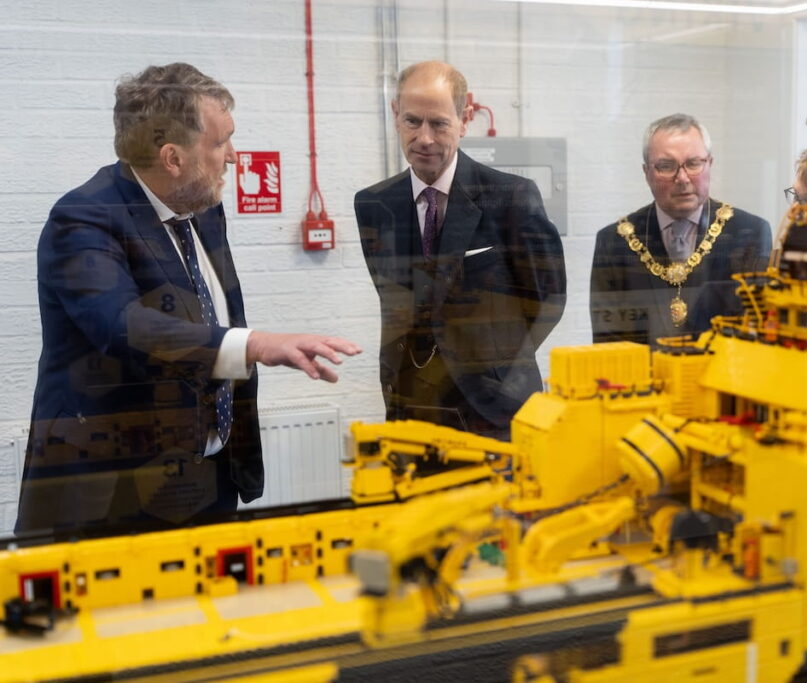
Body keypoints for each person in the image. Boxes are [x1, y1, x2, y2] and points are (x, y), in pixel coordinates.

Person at [17, 63, 361, 534]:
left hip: (205, 480)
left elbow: (206, 313)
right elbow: (127, 329)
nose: (234, 157)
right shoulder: (84, 219)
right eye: (219, 143)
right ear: (172, 158)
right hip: (113, 498)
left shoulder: (200, 207)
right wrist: (256, 345)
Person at [354, 61, 566, 441]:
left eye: (439, 123)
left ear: (465, 118)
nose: (424, 139)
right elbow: (396, 300)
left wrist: (494, 364)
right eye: (412, 121)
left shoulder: (512, 197)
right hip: (412, 408)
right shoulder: (373, 204)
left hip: (495, 411)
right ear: (395, 114)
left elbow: (548, 297)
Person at [590, 113, 771, 345]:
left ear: (710, 164)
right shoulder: (614, 242)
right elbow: (608, 342)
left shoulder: (748, 234)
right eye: (666, 166)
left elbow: (754, 333)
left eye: (694, 163)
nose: (683, 178)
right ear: (646, 173)